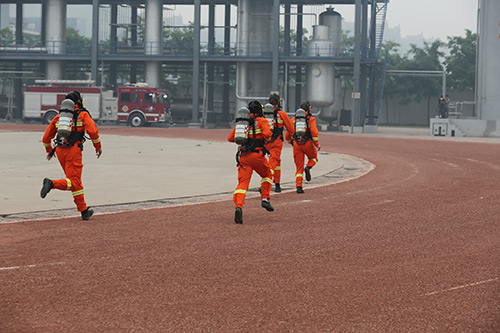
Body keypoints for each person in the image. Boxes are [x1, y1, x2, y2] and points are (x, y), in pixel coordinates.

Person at [40, 91, 102, 220]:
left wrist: (49, 151)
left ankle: (84, 210)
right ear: (78, 101)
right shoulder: (83, 115)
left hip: (60, 150)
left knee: (74, 182)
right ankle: (51, 183)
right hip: (73, 151)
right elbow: (93, 132)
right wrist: (98, 147)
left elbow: (46, 138)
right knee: (74, 182)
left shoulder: (59, 118)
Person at [228, 100, 274, 224]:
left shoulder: (244, 123)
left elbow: (230, 138)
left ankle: (238, 206)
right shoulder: (262, 121)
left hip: (243, 157)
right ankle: (265, 198)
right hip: (257, 156)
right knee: (267, 174)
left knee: (242, 184)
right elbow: (267, 134)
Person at [285, 100, 321, 194]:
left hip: (297, 144)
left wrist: (291, 142)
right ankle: (308, 167)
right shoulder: (311, 119)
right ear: (309, 109)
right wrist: (317, 144)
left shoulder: (294, 119)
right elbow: (314, 132)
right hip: (308, 143)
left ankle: (299, 186)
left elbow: (287, 134)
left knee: (298, 167)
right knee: (313, 158)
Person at [264, 92, 294, 193]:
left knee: (276, 163)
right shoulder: (281, 114)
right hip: (276, 142)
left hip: (265, 142)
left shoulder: (263, 114)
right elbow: (291, 129)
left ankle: (277, 184)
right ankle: (266, 183)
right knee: (273, 164)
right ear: (278, 103)